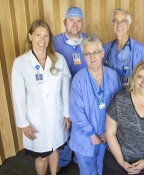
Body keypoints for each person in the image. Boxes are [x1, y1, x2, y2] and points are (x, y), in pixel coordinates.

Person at [11, 19, 71, 175]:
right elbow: (18, 96)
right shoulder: (21, 63)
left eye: (45, 36)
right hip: (36, 119)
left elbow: (65, 89)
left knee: (55, 149)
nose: (42, 40)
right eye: (38, 35)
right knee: (42, 156)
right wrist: (23, 123)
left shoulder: (59, 60)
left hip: (57, 116)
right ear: (30, 36)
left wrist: (67, 114)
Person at [69, 34, 122, 175]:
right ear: (83, 56)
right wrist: (91, 134)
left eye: (95, 52)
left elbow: (118, 105)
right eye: (87, 54)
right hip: (85, 137)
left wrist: (109, 130)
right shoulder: (78, 80)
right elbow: (76, 111)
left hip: (107, 134)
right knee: (88, 171)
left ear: (102, 53)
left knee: (105, 168)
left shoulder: (113, 76)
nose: (92, 57)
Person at [53, 6, 87, 170]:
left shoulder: (89, 40)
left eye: (78, 20)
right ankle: (63, 160)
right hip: (62, 94)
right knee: (64, 127)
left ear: (82, 23)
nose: (75, 24)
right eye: (71, 20)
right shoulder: (54, 42)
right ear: (64, 22)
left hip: (83, 95)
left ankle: (79, 157)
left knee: (81, 126)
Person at [102, 8, 144, 89]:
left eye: (123, 21)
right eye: (115, 21)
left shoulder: (140, 50)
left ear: (129, 25)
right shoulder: (106, 49)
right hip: (111, 95)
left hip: (132, 96)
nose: (119, 24)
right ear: (112, 24)